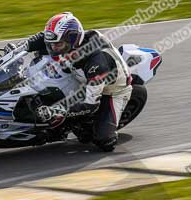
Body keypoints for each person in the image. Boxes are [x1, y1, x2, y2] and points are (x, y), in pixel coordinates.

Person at [24, 12, 132, 151]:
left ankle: (103, 125)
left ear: (72, 39)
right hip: (81, 76)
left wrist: (57, 110)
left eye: (58, 44)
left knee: (103, 141)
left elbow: (90, 104)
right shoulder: (73, 42)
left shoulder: (97, 63)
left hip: (112, 91)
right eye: (52, 44)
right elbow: (43, 37)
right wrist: (22, 47)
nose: (54, 48)